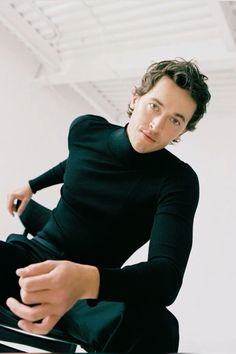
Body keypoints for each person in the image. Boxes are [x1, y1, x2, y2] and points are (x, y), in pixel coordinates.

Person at [3, 58, 211, 353]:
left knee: (158, 329)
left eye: (175, 120)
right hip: (32, 259)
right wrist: (32, 184)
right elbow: (75, 164)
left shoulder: (178, 181)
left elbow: (166, 277)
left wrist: (85, 280)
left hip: (91, 293)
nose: (157, 125)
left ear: (182, 131)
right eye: (155, 106)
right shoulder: (86, 129)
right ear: (135, 97)